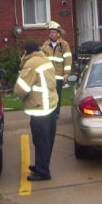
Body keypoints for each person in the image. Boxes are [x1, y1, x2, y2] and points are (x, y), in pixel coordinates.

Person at [14, 40, 58, 181]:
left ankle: (43, 171)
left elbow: (21, 89)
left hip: (40, 108)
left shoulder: (32, 63)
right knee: (47, 139)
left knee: (40, 140)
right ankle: (41, 165)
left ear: (26, 51)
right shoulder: (44, 59)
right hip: (50, 105)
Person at [41, 21, 72, 117]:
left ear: (58, 33)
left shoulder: (64, 45)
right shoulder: (45, 45)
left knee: (57, 95)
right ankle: (49, 111)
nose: (51, 34)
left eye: (53, 32)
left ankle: (56, 113)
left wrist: (66, 74)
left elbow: (68, 59)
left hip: (59, 76)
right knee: (48, 95)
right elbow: (41, 59)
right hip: (48, 76)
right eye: (50, 32)